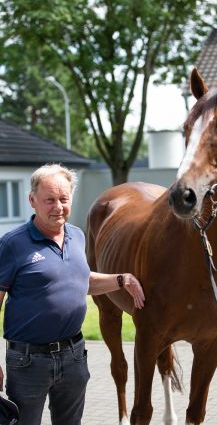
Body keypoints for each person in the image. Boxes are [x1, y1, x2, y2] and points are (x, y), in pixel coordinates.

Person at [0, 163, 145, 425]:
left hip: (73, 357)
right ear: (32, 200)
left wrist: (122, 280)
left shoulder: (76, 236)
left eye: (63, 199)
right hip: (28, 362)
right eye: (49, 200)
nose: (58, 206)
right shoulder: (13, 244)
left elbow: (81, 280)